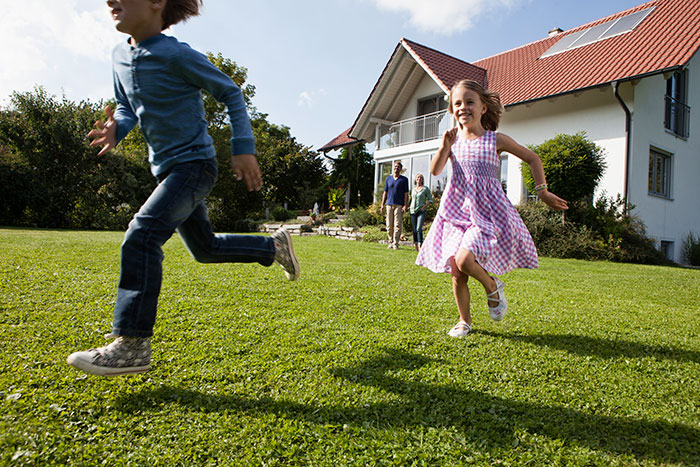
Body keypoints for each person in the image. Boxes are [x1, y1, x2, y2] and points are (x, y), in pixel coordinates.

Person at [67, 0, 299, 376]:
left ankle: (133, 344)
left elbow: (231, 93)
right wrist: (118, 128)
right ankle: (272, 248)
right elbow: (126, 107)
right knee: (203, 249)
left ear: (157, 3)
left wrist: (243, 148)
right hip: (167, 170)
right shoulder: (118, 57)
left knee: (141, 237)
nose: (110, 0)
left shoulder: (176, 54)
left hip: (194, 165)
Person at [416, 80, 568, 338]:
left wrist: (542, 190)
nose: (463, 107)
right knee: (456, 269)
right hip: (455, 212)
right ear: (453, 111)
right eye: (457, 104)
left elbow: (532, 158)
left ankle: (491, 285)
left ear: (483, 107)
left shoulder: (495, 140)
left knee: (465, 260)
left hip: (485, 213)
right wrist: (444, 146)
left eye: (470, 102)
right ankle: (464, 321)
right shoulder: (452, 141)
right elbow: (435, 170)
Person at [380, 160, 409, 249]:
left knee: (397, 225)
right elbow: (385, 192)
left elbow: (406, 194)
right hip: (389, 204)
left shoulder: (404, 180)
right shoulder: (388, 179)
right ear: (393, 168)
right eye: (395, 166)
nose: (396, 168)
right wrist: (382, 205)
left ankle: (395, 243)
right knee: (389, 225)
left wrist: (405, 205)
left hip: (399, 205)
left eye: (398, 167)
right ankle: (390, 241)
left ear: (400, 169)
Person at [409, 173, 433, 251]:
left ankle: (420, 245)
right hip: (412, 210)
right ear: (415, 179)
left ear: (422, 179)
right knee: (414, 229)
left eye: (420, 178)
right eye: (417, 177)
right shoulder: (413, 189)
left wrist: (424, 206)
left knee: (419, 228)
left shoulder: (425, 189)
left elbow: (430, 200)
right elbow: (411, 199)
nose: (419, 179)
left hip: (421, 211)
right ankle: (415, 245)